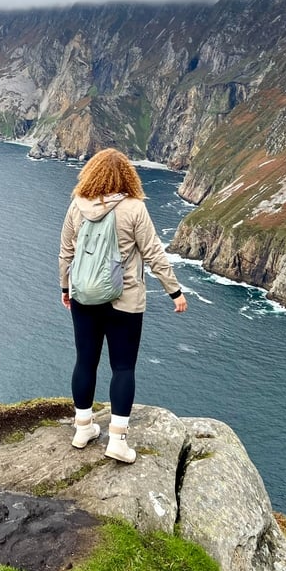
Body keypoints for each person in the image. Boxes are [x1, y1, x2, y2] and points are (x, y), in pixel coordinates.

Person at [58, 148, 187, 464]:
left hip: (84, 297)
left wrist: (65, 288)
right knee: (123, 367)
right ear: (127, 176)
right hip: (125, 300)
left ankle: (83, 428)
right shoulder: (134, 208)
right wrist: (175, 292)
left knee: (85, 362)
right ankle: (117, 440)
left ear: (91, 173)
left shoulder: (77, 206)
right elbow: (155, 254)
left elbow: (65, 253)